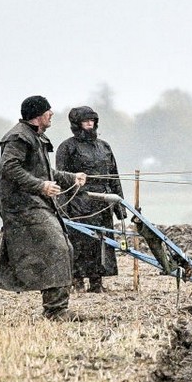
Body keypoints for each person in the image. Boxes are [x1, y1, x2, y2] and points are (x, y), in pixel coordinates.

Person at [0, 95, 86, 321]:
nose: (52, 113)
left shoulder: (36, 137)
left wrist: (71, 178)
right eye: (48, 110)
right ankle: (56, 311)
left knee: (62, 248)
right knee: (57, 248)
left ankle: (57, 308)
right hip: (22, 207)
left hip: (36, 204)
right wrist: (40, 186)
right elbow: (9, 168)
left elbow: (44, 172)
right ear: (37, 116)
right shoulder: (17, 138)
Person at [56, 106, 125, 293]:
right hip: (78, 203)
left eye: (92, 121)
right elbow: (60, 179)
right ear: (76, 124)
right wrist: (62, 207)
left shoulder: (104, 147)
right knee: (79, 243)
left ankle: (97, 282)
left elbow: (114, 177)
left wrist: (121, 207)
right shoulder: (67, 147)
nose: (89, 124)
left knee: (101, 243)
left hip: (103, 203)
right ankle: (77, 281)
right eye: (85, 121)